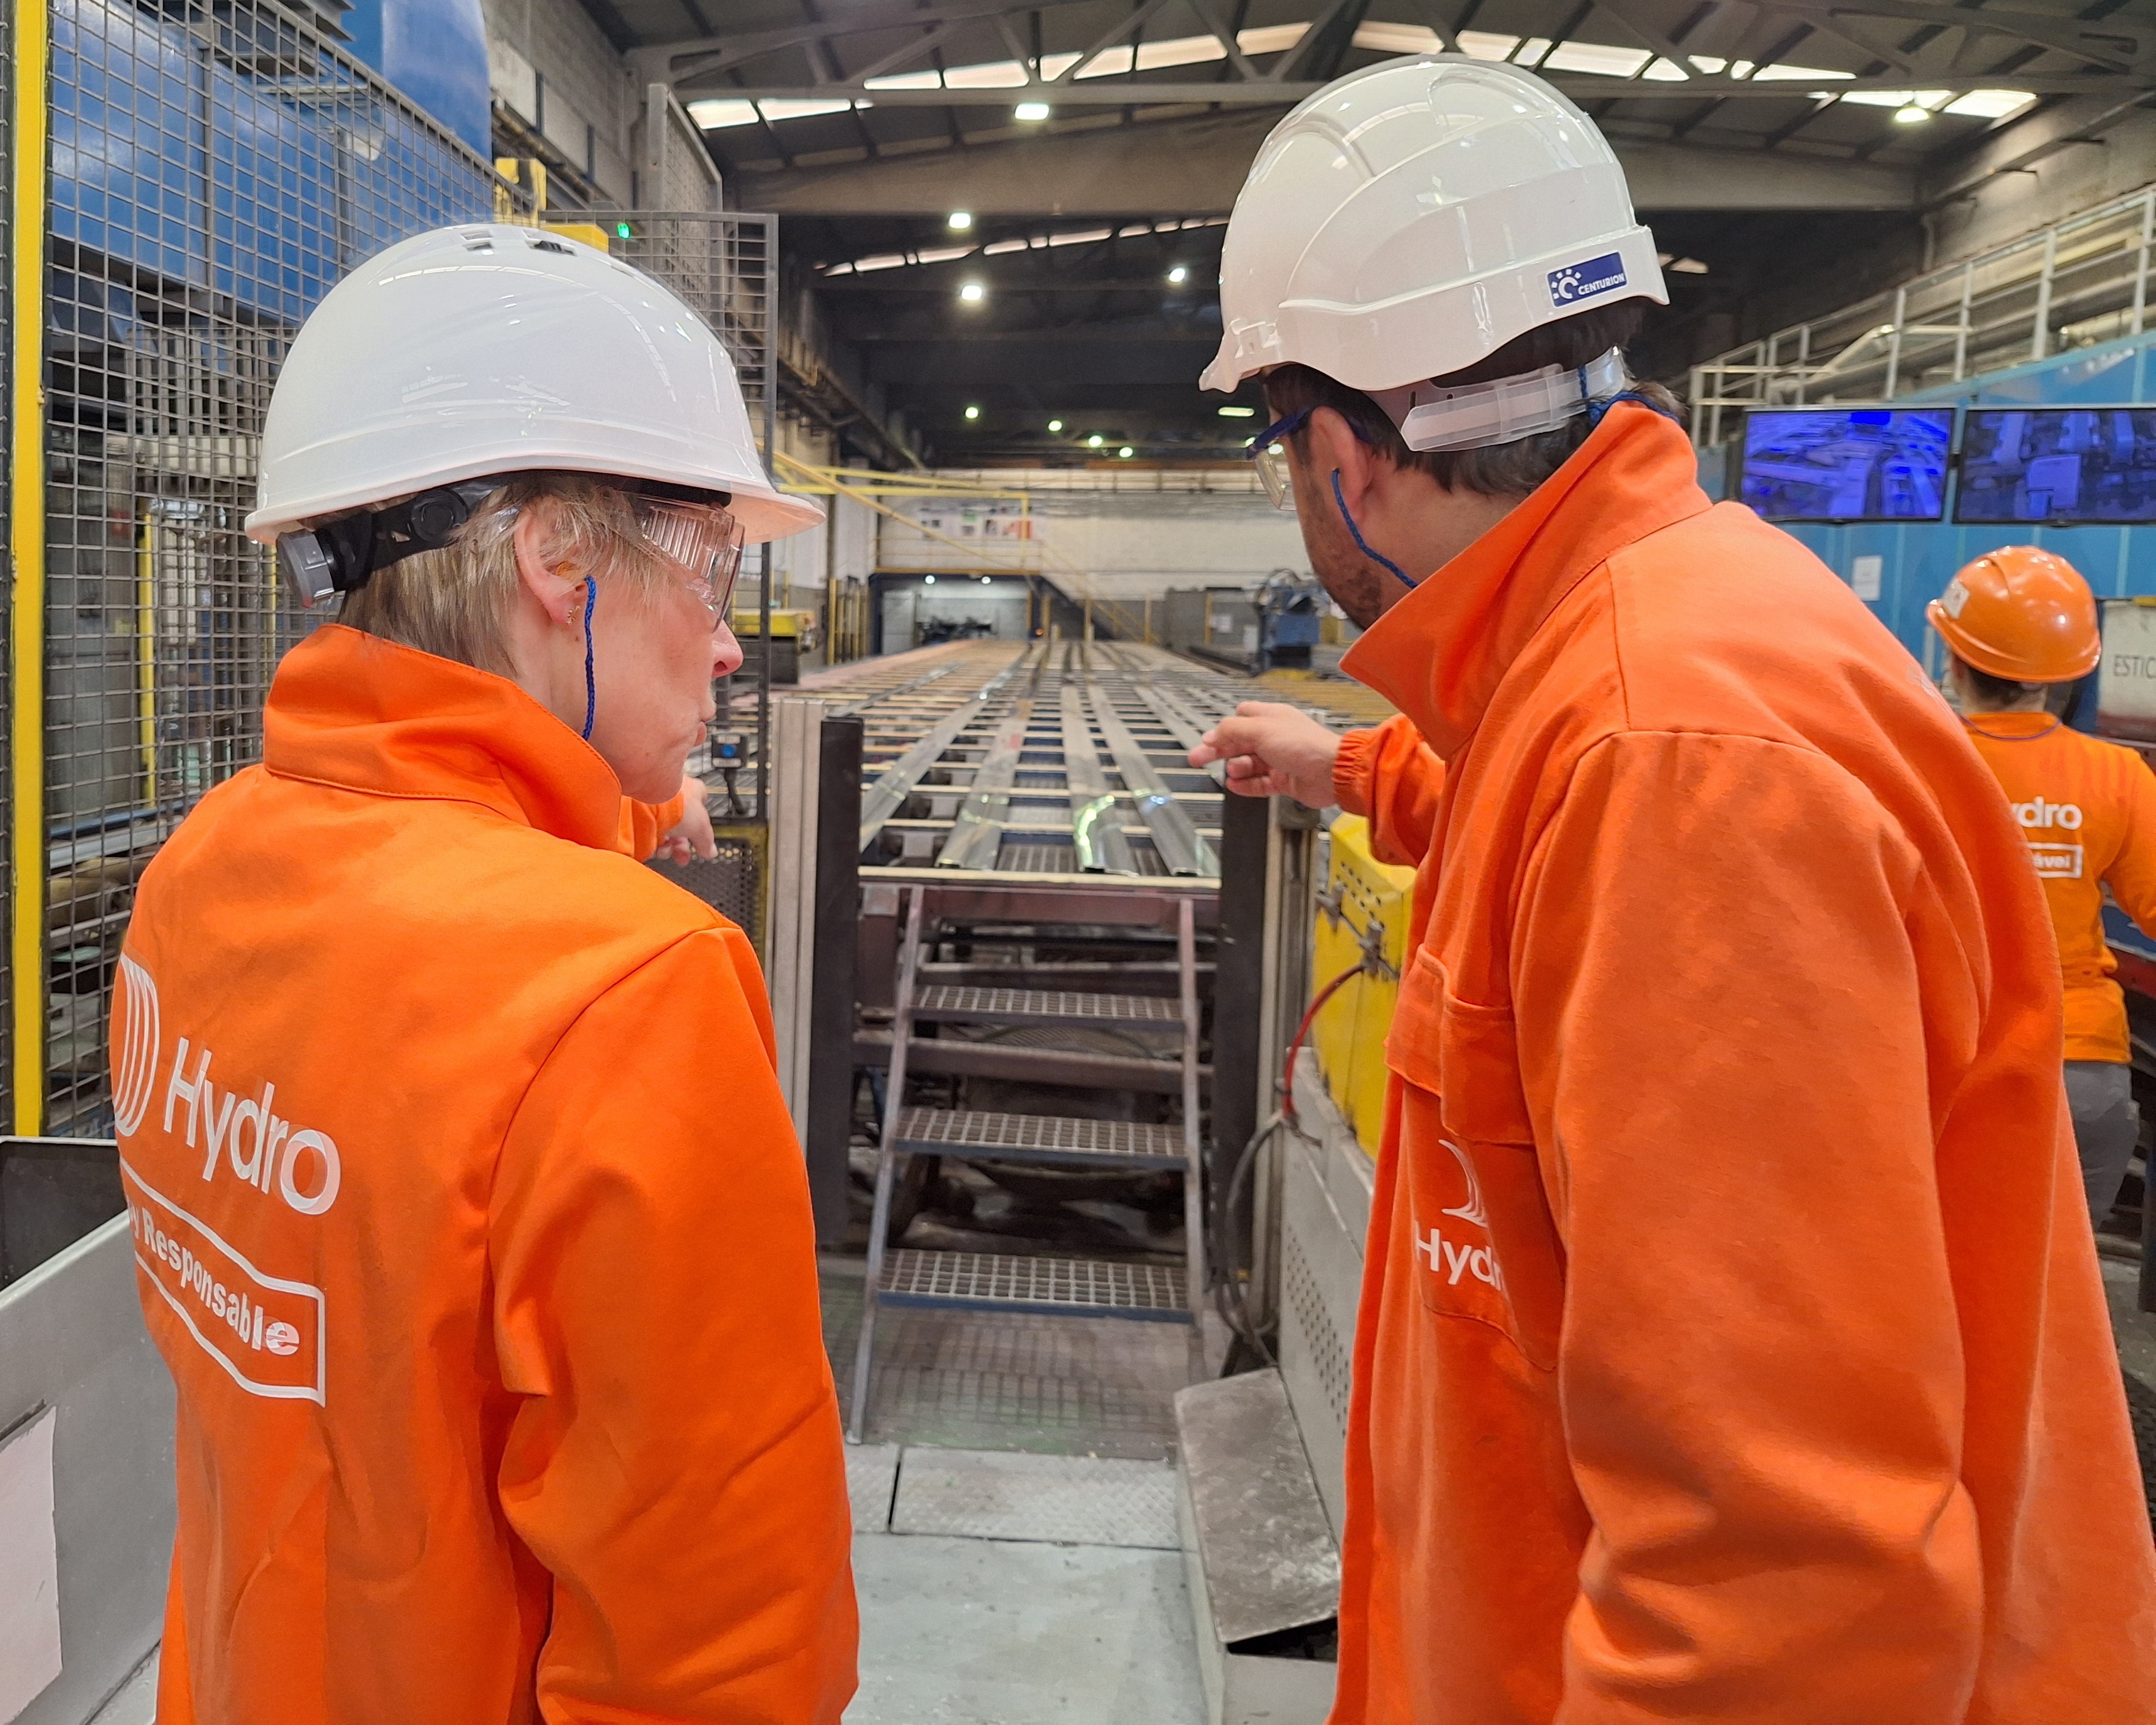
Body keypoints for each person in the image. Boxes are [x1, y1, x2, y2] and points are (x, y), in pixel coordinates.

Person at [1190, 55, 2156, 1724]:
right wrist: (1340, 764)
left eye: (1276, 435)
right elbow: (1514, 818)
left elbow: (1780, 1583)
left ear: (1342, 449)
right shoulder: (1621, 666)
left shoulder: (1673, 762)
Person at [111, 224, 857, 1724]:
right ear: (558, 563)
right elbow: (718, 1658)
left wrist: (618, 795)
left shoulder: (201, 873)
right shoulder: (632, 990)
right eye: (708, 570)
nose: (726, 645)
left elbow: (433, 829)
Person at [1932, 547, 2156, 1226]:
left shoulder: (1914, 756)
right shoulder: (2117, 776)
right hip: (2079, 1064)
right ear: (2068, 673)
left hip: (1945, 1060)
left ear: (1951, 654)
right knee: (2057, 1294)